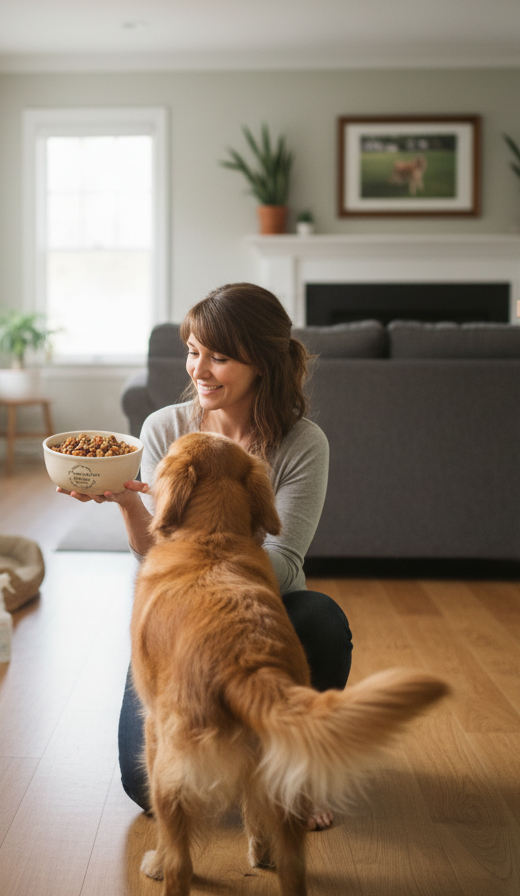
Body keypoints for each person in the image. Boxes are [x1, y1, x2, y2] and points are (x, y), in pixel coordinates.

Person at [57, 282, 352, 830]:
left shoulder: (302, 442)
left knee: (322, 619)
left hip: (261, 612)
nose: (199, 370)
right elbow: (156, 557)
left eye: (219, 357)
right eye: (193, 352)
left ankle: (295, 773)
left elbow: (284, 560)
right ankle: (240, 767)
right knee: (145, 789)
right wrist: (129, 504)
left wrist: (209, 579)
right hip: (179, 624)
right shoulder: (163, 428)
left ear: (262, 362)